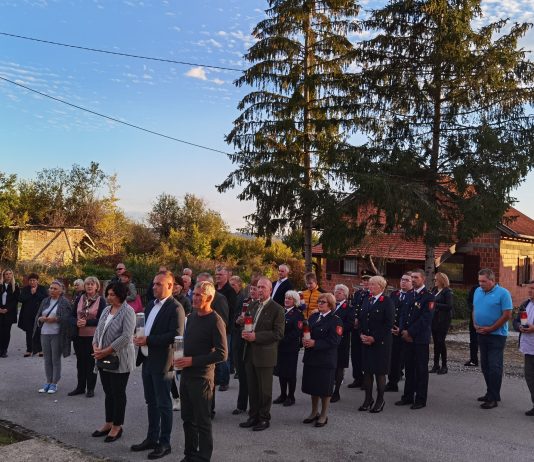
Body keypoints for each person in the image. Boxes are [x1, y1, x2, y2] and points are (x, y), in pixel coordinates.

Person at [131, 271, 184, 460]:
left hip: (163, 362)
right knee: (151, 402)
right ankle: (152, 438)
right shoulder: (151, 305)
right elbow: (145, 328)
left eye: (158, 284)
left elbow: (175, 335)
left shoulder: (175, 308)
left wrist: (148, 340)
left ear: (170, 286)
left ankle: (165, 442)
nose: (153, 287)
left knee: (163, 404)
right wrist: (138, 337)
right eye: (153, 283)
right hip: (147, 360)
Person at [176, 281, 227, 462]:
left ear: (209, 298)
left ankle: (204, 457)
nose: (194, 298)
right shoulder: (191, 317)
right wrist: (179, 357)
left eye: (199, 295)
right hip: (186, 375)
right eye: (194, 294)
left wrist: (193, 361)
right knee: (187, 418)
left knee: (202, 421)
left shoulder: (216, 321)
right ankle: (189, 454)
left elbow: (222, 354)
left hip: (202, 378)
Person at [91, 282, 136, 443]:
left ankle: (117, 426)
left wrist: (107, 350)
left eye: (112, 295)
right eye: (108, 294)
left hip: (120, 359)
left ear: (121, 295)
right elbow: (98, 330)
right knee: (108, 392)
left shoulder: (128, 311)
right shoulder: (106, 310)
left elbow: (126, 336)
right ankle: (108, 422)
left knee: (118, 393)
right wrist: (95, 346)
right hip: (103, 357)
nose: (109, 297)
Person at [239, 277, 285, 431]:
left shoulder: (277, 309)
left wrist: (256, 337)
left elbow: (278, 333)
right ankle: (253, 416)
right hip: (249, 353)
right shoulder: (252, 305)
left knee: (264, 390)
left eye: (263, 287)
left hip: (265, 355)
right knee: (252, 388)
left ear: (270, 290)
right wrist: (244, 332)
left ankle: (264, 418)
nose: (259, 290)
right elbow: (248, 325)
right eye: (258, 287)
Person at [473, 268, 513, 409]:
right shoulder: (477, 291)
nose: (481, 284)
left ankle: (493, 398)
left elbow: (507, 315)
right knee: (485, 366)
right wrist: (475, 323)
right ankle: (491, 392)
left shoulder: (503, 293)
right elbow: (475, 308)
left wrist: (491, 328)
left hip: (497, 335)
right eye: (479, 281)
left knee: (494, 367)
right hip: (481, 333)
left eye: (484, 281)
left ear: (492, 280)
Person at [301, 293, 343, 427]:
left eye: (323, 302)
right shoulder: (314, 317)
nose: (319, 303)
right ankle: (314, 412)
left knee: (324, 389)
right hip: (312, 357)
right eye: (319, 301)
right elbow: (307, 332)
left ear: (330, 305)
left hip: (325, 359)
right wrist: (304, 340)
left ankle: (324, 415)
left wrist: (315, 343)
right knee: (313, 387)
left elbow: (334, 341)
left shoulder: (336, 320)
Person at [395, 269, 435, 410]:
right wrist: (402, 330)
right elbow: (403, 314)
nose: (413, 279)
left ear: (423, 279)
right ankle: (407, 396)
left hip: (419, 339)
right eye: (412, 277)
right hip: (407, 338)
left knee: (421, 370)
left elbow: (426, 319)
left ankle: (420, 399)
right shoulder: (409, 294)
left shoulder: (428, 297)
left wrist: (410, 332)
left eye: (416, 277)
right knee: (409, 368)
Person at [358, 276, 394, 413]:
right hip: (366, 341)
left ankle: (380, 400)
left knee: (379, 373)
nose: (369, 286)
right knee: (367, 372)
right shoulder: (367, 300)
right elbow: (361, 320)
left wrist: (374, 338)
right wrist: (361, 334)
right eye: (369, 284)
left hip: (380, 343)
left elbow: (388, 324)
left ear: (381, 286)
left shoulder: (387, 301)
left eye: (373, 284)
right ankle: (368, 399)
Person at [69, 276, 106, 398]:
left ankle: (90, 388)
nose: (89, 286)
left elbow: (102, 319)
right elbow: (71, 316)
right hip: (79, 336)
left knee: (90, 363)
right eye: (87, 284)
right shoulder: (79, 298)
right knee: (80, 362)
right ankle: (80, 387)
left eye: (92, 284)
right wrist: (76, 322)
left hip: (93, 337)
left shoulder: (101, 300)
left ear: (97, 287)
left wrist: (87, 322)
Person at [34, 280, 72, 394]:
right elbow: (38, 315)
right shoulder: (45, 300)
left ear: (61, 291)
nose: (52, 290)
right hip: (44, 333)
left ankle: (54, 383)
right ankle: (48, 381)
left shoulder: (64, 302)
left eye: (55, 288)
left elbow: (67, 318)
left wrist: (55, 319)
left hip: (57, 334)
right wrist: (40, 319)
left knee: (55, 359)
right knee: (47, 359)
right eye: (50, 288)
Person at [232, 277, 260, 415]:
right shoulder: (244, 302)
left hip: (255, 343)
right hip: (241, 341)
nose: (253, 291)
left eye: (255, 289)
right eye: (251, 289)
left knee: (255, 378)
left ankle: (256, 407)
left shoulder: (262, 305)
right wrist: (238, 321)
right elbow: (235, 318)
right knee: (242, 375)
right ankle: (241, 405)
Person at [273, 290, 303, 407]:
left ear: (295, 301)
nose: (286, 300)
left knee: (290, 373)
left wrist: (281, 339)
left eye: (289, 299)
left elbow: (297, 332)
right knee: (281, 372)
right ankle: (283, 395)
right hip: (280, 347)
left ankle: (291, 396)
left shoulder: (298, 314)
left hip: (290, 348)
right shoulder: (281, 311)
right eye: (286, 298)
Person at [386, 273, 413, 392]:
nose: (403, 282)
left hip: (406, 332)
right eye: (402, 279)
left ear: (412, 283)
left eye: (407, 280)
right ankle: (393, 382)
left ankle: (409, 386)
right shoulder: (394, 294)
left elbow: (411, 315)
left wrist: (402, 329)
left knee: (406, 359)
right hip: (393, 330)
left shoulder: (413, 295)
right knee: (394, 358)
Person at [513, 281, 534, 415]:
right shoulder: (525, 304)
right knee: (529, 377)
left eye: (533, 288)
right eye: (529, 288)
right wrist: (519, 327)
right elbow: (515, 321)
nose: (530, 291)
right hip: (528, 347)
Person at [331, 284, 355, 402]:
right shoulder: (330, 306)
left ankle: (336, 392)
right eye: (336, 291)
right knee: (331, 366)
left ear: (345, 295)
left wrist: (336, 329)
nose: (337, 293)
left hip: (342, 341)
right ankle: (328, 389)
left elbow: (350, 324)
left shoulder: (349, 308)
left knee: (339, 367)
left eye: (339, 292)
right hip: (329, 340)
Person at [215, 267, 236, 391]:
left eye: (221, 274)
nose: (218, 276)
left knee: (224, 355)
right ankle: (218, 378)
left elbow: (232, 312)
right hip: (212, 326)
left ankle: (224, 381)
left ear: (227, 276)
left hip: (225, 328)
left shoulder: (230, 291)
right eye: (216, 274)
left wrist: (227, 328)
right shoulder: (213, 288)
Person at [348, 274, 371, 388]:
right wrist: (354, 319)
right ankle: (357, 378)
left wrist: (359, 320)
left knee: (365, 355)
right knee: (355, 354)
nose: (365, 282)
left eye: (367, 280)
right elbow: (353, 308)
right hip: (355, 327)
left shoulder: (371, 295)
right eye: (364, 280)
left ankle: (366, 380)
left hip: (365, 328)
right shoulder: (358, 293)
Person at [18, 273, 48, 357]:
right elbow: (20, 299)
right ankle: (29, 350)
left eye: (34, 280)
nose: (32, 282)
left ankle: (40, 350)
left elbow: (45, 299)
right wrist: (30, 293)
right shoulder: (25, 289)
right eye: (30, 280)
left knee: (39, 331)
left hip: (39, 314)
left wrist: (36, 293)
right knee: (29, 332)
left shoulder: (42, 288)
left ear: (37, 281)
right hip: (27, 314)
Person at [430, 272, 454, 375]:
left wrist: (435, 305)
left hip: (443, 320)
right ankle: (436, 365)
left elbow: (449, 306)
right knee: (436, 342)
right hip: (434, 319)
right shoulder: (434, 290)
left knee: (441, 341)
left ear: (441, 280)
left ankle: (444, 365)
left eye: (436, 279)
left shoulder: (447, 292)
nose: (434, 281)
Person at [0, 269, 20, 357]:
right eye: (6, 274)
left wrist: (7, 309)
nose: (8, 275)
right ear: (3, 276)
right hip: (0, 311)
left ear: (12, 275)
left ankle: (4, 350)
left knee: (6, 332)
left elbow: (15, 300)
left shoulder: (15, 286)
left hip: (9, 313)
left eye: (10, 274)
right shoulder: (1, 286)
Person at [465, 284, 480, 366]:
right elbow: (469, 301)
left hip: (486, 320)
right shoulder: (475, 288)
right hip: (474, 317)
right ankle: (473, 359)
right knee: (473, 339)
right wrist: (473, 308)